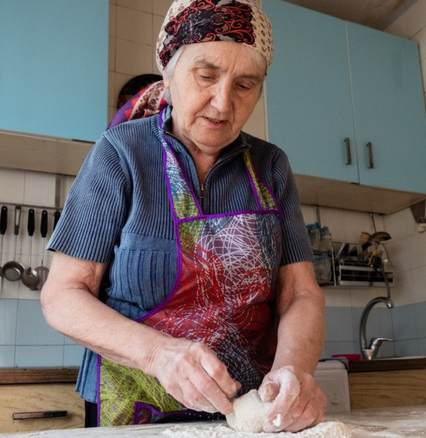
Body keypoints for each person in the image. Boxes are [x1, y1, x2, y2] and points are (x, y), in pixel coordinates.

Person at [41, 0, 326, 432]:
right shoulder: (122, 152)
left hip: (249, 413)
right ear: (169, 76)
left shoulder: (270, 166)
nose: (223, 102)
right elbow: (63, 295)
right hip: (134, 409)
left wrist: (293, 368)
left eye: (245, 85)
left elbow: (300, 294)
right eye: (206, 75)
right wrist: (159, 354)